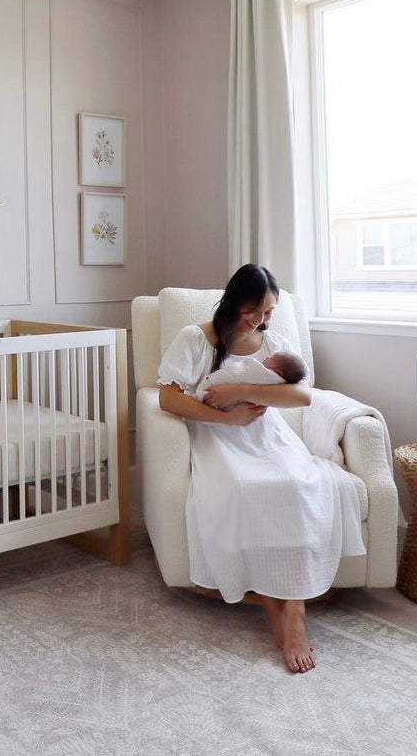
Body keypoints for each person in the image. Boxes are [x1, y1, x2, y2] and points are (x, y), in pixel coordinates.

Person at [157, 264, 365, 674]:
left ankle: (293, 613)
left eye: (269, 311)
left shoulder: (274, 342)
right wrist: (226, 418)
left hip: (267, 435)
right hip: (218, 436)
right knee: (246, 488)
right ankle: (280, 607)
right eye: (256, 310)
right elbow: (166, 399)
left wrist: (239, 390)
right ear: (234, 301)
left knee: (295, 484)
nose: (262, 320)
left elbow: (303, 395)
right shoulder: (195, 339)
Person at [193, 350, 308, 409]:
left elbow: (305, 398)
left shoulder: (284, 356)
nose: (267, 357)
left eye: (268, 311)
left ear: (278, 373)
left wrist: (237, 391)